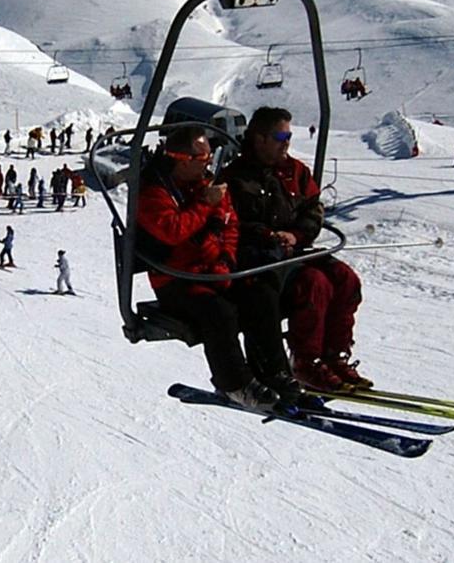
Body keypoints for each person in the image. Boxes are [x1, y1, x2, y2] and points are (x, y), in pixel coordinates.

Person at [222, 106, 369, 392]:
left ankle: (334, 355)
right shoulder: (237, 177)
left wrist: (297, 234)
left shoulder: (295, 171)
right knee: (314, 284)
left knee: (344, 278)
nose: (286, 142)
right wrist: (269, 235)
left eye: (289, 135)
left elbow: (313, 208)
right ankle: (306, 360)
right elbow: (230, 223)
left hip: (294, 250)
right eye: (280, 136)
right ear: (259, 138)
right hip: (260, 260)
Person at [137, 126, 285, 408]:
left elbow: (229, 223)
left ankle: (274, 371)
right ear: (183, 160)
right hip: (176, 279)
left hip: (212, 270)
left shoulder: (205, 184)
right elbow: (173, 231)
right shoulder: (154, 192)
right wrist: (205, 205)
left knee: (262, 293)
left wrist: (227, 258)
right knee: (220, 312)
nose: (208, 165)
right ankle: (234, 384)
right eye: (203, 159)